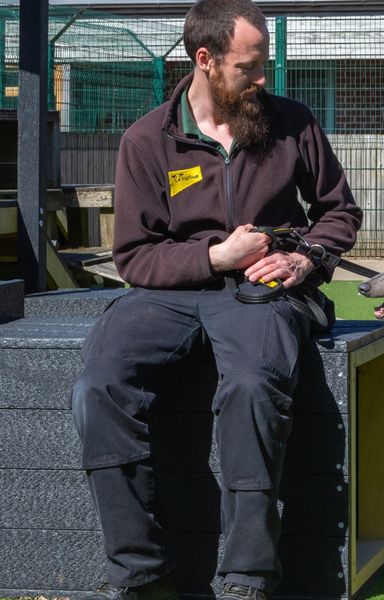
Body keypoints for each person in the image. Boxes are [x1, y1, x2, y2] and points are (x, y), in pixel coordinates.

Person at [70, 1, 362, 599]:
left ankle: (245, 579)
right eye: (248, 68)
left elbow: (338, 212)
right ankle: (141, 576)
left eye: (264, 67)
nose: (263, 80)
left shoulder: (293, 123)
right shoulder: (146, 140)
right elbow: (134, 256)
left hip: (263, 294)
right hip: (169, 294)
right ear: (204, 61)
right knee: (98, 387)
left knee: (253, 387)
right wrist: (212, 259)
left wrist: (305, 259)